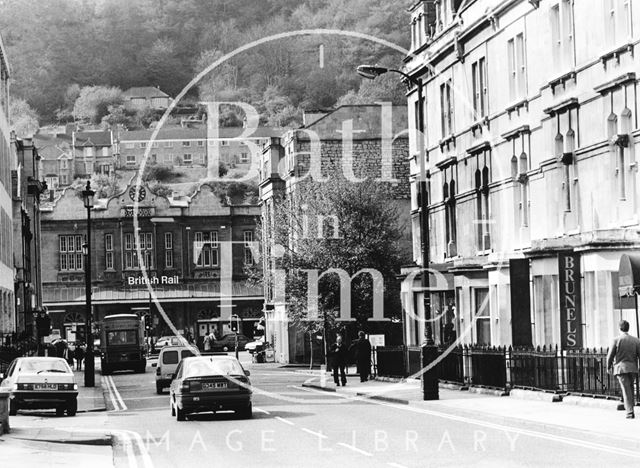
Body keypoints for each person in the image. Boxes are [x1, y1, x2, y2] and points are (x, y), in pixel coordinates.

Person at [607, 320, 640, 419]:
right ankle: (630, 406)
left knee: (626, 390)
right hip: (633, 368)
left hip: (621, 369)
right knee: (629, 388)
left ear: (619, 328)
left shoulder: (616, 340)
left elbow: (610, 355)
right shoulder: (636, 340)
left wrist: (608, 367)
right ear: (628, 328)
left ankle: (630, 412)